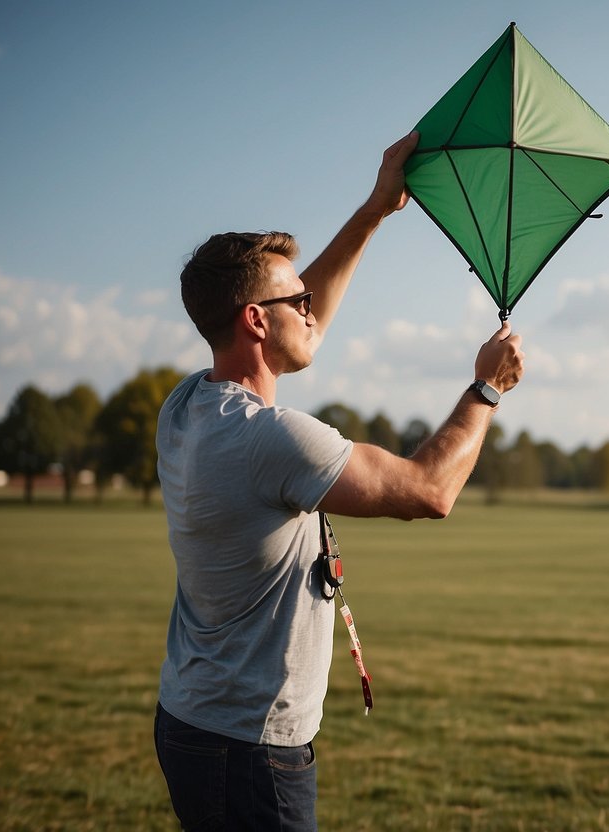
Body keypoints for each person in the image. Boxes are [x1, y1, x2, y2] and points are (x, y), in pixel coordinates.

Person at [152, 131, 524, 830]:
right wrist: (487, 388)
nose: (311, 308)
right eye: (296, 300)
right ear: (256, 320)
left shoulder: (187, 405)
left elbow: (300, 319)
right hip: (249, 751)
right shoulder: (268, 439)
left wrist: (374, 211)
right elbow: (428, 491)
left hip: (192, 722)